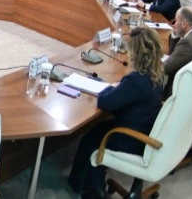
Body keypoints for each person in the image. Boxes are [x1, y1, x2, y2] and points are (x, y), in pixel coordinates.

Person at [68, 27, 164, 198]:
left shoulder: (136, 81)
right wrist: (120, 87)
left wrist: (112, 87)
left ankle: (92, 190)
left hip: (130, 137)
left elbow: (104, 102)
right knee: (99, 128)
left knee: (89, 140)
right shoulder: (157, 72)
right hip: (146, 129)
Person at [163, 7, 192, 99]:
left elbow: (166, 68)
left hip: (178, 93)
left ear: (184, 24)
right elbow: (174, 55)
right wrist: (175, 35)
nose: (174, 24)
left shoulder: (188, 43)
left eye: (176, 21)